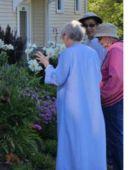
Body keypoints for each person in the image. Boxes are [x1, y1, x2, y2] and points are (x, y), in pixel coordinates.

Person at [36, 20, 106, 170]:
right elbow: (98, 77)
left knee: (73, 141)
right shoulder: (92, 53)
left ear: (67, 36)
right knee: (90, 139)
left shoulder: (68, 53)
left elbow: (57, 78)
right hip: (91, 105)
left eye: (63, 38)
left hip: (73, 107)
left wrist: (47, 65)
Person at [95, 23, 123, 170]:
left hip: (114, 100)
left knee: (115, 138)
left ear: (110, 36)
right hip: (116, 98)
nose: (99, 42)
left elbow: (117, 77)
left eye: (100, 38)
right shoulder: (119, 48)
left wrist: (102, 94)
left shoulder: (115, 50)